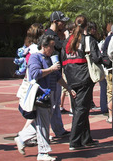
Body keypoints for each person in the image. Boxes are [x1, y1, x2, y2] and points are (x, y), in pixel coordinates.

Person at [14, 34, 65, 161]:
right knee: (43, 124)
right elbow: (35, 73)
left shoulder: (49, 59)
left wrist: (68, 88)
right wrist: (51, 69)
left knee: (42, 122)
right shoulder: (35, 57)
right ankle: (43, 152)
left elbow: (57, 76)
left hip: (51, 94)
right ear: (44, 46)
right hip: (41, 94)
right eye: (51, 47)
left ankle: (22, 137)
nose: (53, 50)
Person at [62, 15, 99, 150]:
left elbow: (63, 61)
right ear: (86, 26)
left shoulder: (66, 42)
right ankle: (75, 141)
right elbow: (96, 57)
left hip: (71, 78)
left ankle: (86, 139)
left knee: (80, 110)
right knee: (82, 110)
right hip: (84, 78)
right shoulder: (88, 40)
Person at [44, 10, 70, 138]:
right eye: (62, 22)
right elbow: (64, 47)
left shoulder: (53, 35)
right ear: (55, 21)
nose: (64, 24)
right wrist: (66, 37)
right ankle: (32, 134)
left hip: (56, 73)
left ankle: (58, 129)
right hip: (52, 75)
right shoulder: (50, 36)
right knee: (51, 105)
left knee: (54, 105)